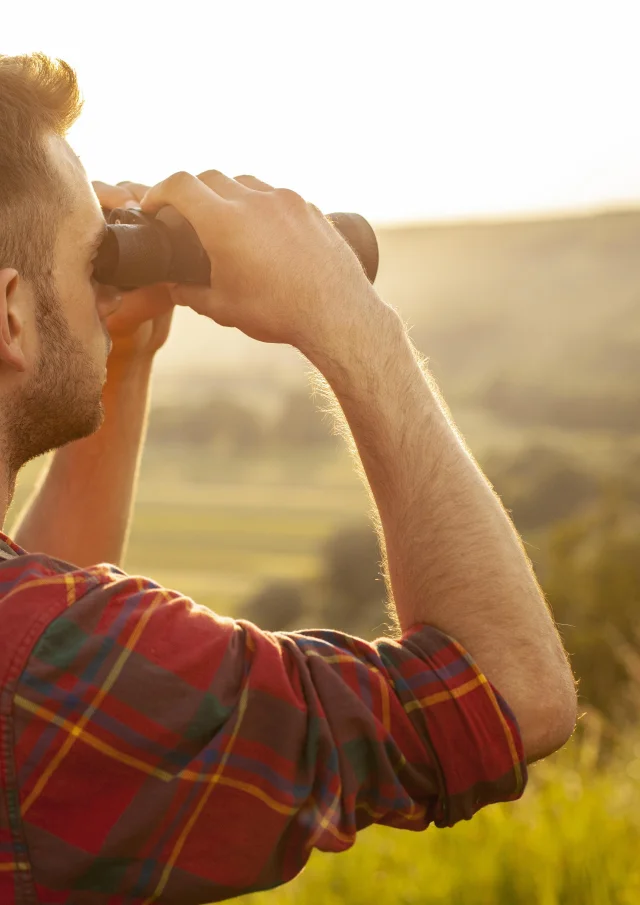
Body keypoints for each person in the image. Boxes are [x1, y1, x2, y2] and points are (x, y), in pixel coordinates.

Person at [0, 53, 576, 904]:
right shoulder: (47, 663)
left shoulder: (35, 663)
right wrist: (341, 312)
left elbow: (37, 629)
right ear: (11, 313)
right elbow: (510, 697)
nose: (101, 287)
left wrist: (122, 360)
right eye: (93, 261)